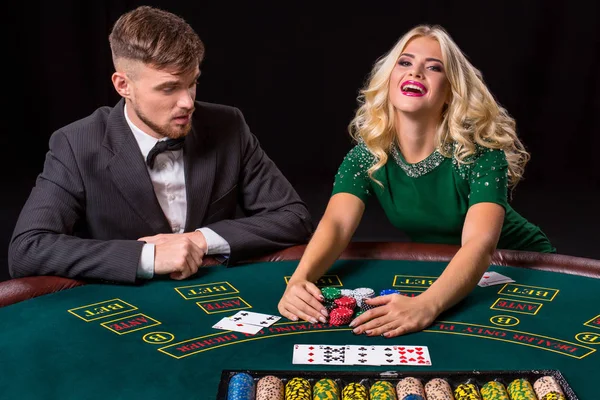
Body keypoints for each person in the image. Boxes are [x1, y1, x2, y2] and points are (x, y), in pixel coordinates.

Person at [278, 24, 555, 338]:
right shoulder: (366, 156)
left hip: (519, 266)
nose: (416, 73)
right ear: (390, 78)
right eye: (405, 63)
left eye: (434, 67)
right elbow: (337, 225)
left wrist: (426, 305)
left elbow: (480, 244)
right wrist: (301, 280)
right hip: (448, 270)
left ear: (451, 90)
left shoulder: (481, 154)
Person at [8, 6, 313, 284]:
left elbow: (293, 217)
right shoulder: (77, 143)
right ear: (123, 85)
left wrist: (199, 240)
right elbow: (27, 249)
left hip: (217, 295)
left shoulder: (228, 125)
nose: (187, 102)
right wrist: (148, 257)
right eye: (168, 88)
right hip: (123, 312)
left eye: (192, 82)